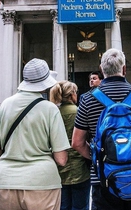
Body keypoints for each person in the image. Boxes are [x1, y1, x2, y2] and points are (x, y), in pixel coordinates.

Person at [72, 48, 131, 210]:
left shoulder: (87, 100)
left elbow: (77, 143)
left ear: (102, 70)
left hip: (103, 179)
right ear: (124, 69)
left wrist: (99, 157)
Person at [0, 58, 70, 210]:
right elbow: (62, 158)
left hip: (6, 180)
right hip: (42, 181)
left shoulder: (5, 105)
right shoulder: (50, 109)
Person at [50, 80, 90, 210]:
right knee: (80, 205)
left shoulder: (54, 113)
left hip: (59, 166)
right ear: (72, 94)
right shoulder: (78, 111)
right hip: (79, 166)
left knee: (63, 205)